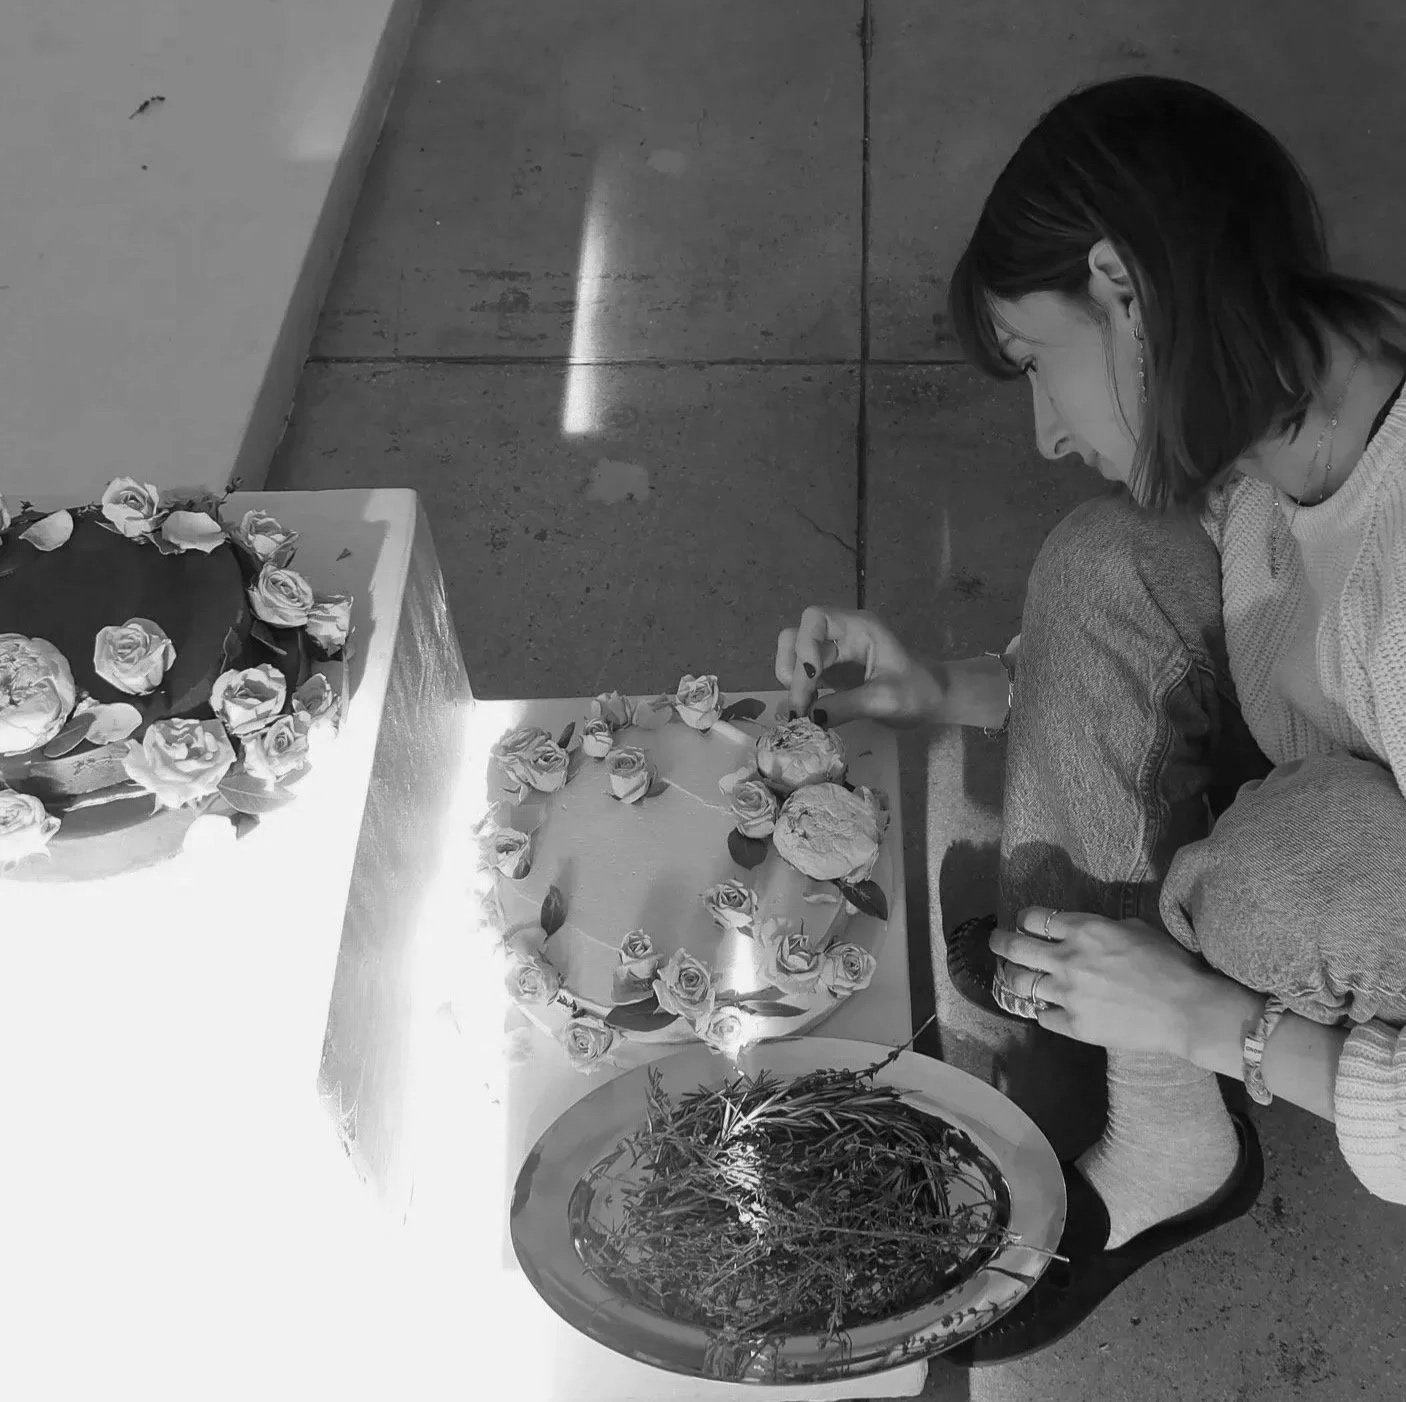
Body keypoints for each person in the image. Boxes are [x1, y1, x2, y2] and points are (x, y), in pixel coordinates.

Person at [775, 74, 1406, 1366]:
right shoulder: (1305, 395)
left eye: (1033, 363)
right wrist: (944, 689)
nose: (1045, 430)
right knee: (1110, 553)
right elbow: (1246, 645)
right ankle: (1121, 1078)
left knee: (1284, 869)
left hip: (1345, 853)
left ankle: (1154, 1062)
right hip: (1346, 756)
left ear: (1124, 289)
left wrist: (1211, 1022)